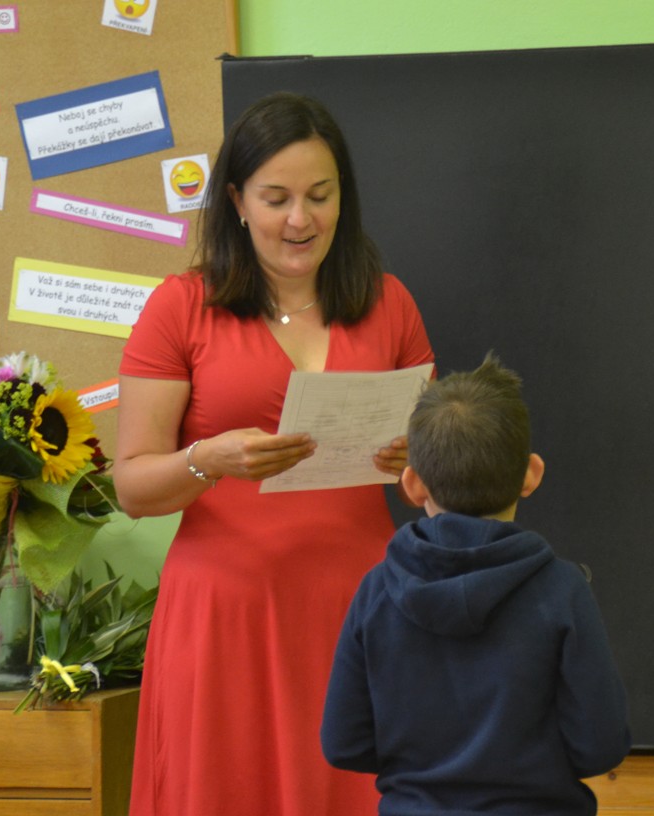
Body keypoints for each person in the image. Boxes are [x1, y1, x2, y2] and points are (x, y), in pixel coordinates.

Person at [116, 92, 435, 816]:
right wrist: (208, 460)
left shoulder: (390, 303)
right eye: (277, 199)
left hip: (358, 607)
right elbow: (132, 488)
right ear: (236, 200)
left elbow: (434, 482)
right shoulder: (180, 306)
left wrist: (413, 461)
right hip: (225, 616)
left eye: (320, 196)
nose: (300, 219)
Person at [320, 353, 631, 816]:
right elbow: (600, 746)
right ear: (531, 474)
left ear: (413, 485)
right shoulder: (562, 591)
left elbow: (344, 743)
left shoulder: (376, 590)